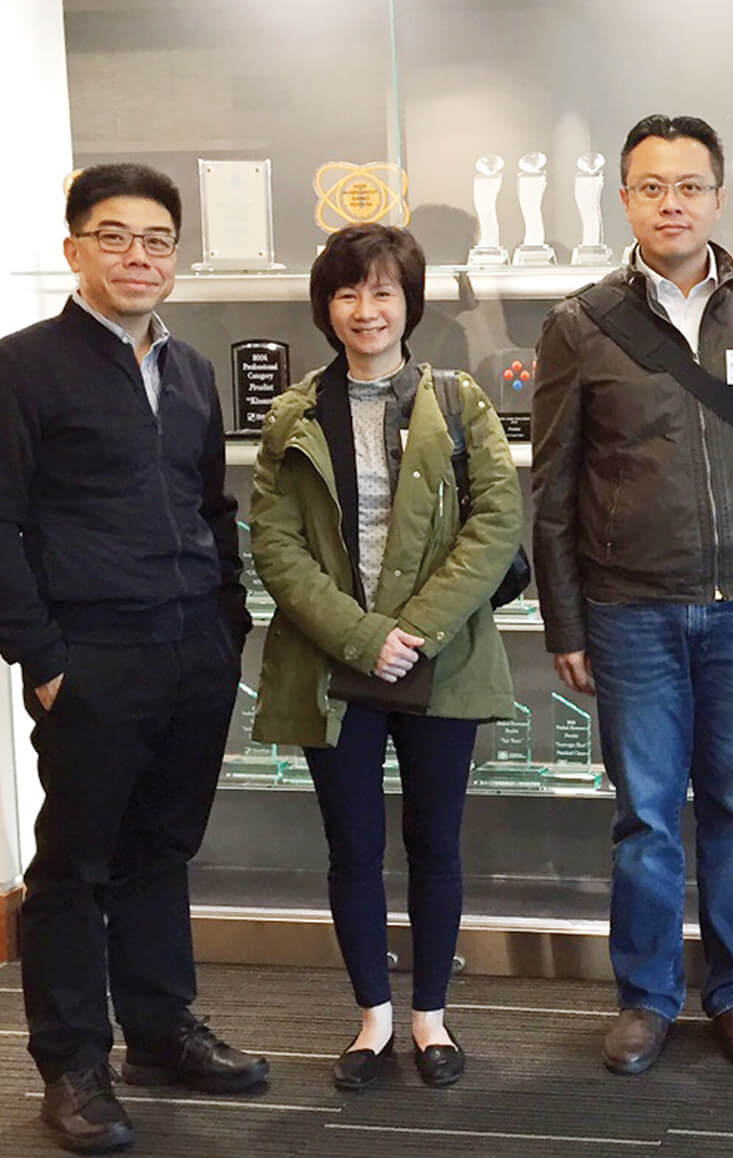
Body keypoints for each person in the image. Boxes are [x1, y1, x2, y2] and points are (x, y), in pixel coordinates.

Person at [531, 113, 733, 1075]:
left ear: (718, 195)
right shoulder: (581, 323)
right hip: (630, 610)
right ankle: (647, 997)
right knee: (646, 817)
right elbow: (556, 483)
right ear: (624, 198)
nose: (671, 202)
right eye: (651, 186)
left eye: (689, 185)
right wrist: (566, 618)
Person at [0, 163, 267, 1154]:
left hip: (192, 646)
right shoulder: (14, 368)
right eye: (114, 236)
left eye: (155, 240)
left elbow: (212, 508)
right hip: (91, 653)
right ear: (74, 250)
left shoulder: (189, 370)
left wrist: (227, 621)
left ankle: (159, 1030)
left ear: (175, 260)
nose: (137, 256)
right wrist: (43, 656)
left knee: (161, 850)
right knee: (74, 865)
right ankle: (73, 1064)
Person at [249, 223, 524, 1091]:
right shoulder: (292, 413)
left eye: (382, 292)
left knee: (435, 843)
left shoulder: (461, 399)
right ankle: (371, 1018)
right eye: (346, 293)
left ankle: (431, 1019)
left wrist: (417, 630)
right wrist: (367, 637)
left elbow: (495, 526)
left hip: (437, 659)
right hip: (337, 666)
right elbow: (274, 540)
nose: (365, 310)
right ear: (325, 307)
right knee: (351, 846)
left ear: (409, 301)